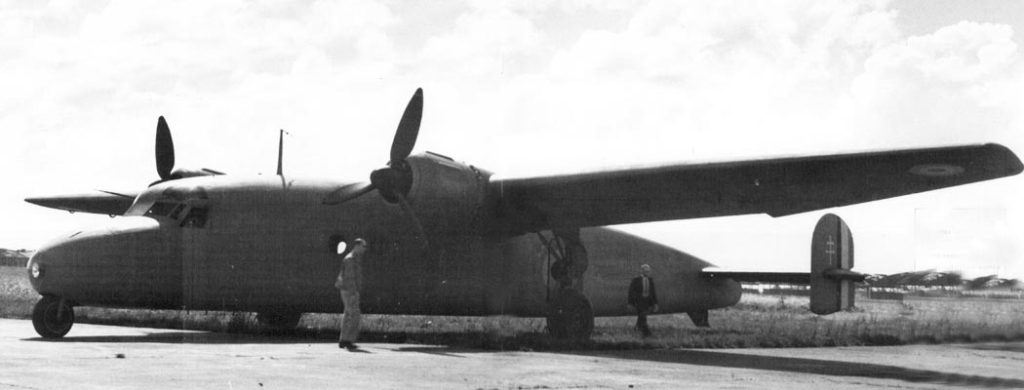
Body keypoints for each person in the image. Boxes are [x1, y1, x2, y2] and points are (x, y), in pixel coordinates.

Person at [335, 238, 367, 350]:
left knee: (349, 314)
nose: (365, 249)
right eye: (363, 246)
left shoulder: (354, 258)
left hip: (349, 290)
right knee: (354, 315)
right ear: (357, 246)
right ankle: (347, 340)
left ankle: (344, 340)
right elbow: (350, 278)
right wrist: (354, 292)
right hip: (349, 291)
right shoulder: (350, 259)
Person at [627, 264, 659, 337]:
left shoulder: (650, 280)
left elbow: (653, 292)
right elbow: (631, 291)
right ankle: (647, 333)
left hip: (647, 302)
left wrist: (655, 303)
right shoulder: (636, 280)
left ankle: (637, 328)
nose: (647, 272)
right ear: (641, 271)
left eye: (648, 271)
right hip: (639, 301)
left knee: (641, 316)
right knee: (643, 316)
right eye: (645, 271)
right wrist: (630, 302)